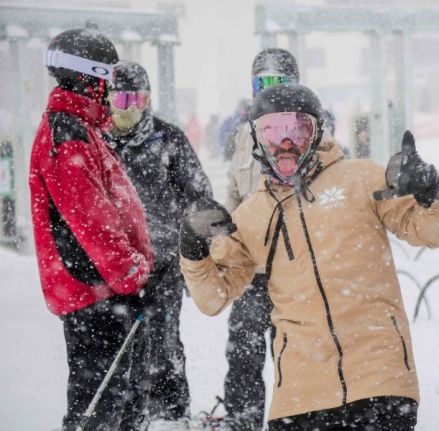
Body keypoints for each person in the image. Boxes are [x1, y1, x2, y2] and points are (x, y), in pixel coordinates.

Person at [179, 83, 439, 430]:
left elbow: (430, 232)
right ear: (257, 139)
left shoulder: (361, 178)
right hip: (299, 398)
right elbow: (212, 298)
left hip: (380, 380)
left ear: (317, 131)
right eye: (272, 131)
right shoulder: (252, 215)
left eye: (298, 129)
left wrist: (430, 192)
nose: (286, 143)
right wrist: (192, 248)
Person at [29, 29, 153, 431]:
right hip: (92, 290)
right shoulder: (68, 135)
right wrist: (127, 276)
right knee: (100, 403)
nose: (112, 87)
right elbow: (94, 223)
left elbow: (112, 209)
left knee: (120, 399)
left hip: (105, 288)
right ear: (90, 76)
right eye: (108, 77)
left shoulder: (84, 128)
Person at [105, 61, 214, 430]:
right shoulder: (98, 142)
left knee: (162, 343)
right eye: (121, 98)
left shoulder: (167, 138)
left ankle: (170, 415)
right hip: (113, 266)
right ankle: (126, 416)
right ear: (108, 99)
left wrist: (187, 239)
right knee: (118, 346)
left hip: (162, 265)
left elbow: (198, 194)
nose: (129, 107)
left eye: (138, 98)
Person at [222, 47, 300, 431]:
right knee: (243, 356)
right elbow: (234, 197)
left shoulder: (312, 135)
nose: (270, 92)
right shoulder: (242, 135)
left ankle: (295, 421)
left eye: (278, 82)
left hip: (296, 274)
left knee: (296, 357)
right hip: (252, 273)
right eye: (262, 82)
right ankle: (243, 421)